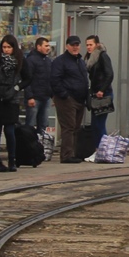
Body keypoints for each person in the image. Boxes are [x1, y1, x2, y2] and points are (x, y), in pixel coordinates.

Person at [0, 35, 29, 171]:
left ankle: (12, 159)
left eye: (9, 47)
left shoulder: (20, 60)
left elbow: (28, 78)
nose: (6, 50)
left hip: (11, 98)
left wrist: (17, 88)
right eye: (4, 47)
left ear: (14, 48)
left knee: (10, 130)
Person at [51, 35, 89, 163]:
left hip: (80, 99)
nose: (75, 47)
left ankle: (73, 153)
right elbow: (55, 80)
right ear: (67, 46)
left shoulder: (80, 61)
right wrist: (64, 95)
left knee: (76, 127)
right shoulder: (60, 61)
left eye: (77, 44)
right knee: (69, 127)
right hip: (67, 99)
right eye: (72, 45)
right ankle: (66, 155)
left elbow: (84, 79)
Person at [86, 34, 114, 140]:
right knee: (95, 124)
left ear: (97, 45)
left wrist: (102, 90)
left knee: (99, 124)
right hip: (95, 94)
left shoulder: (102, 56)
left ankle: (103, 149)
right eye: (87, 45)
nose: (88, 47)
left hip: (103, 94)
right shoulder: (91, 57)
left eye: (91, 44)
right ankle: (98, 149)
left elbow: (109, 74)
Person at [24, 37, 53, 138]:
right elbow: (26, 79)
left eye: (49, 46)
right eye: (46, 46)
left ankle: (41, 147)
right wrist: (30, 96)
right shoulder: (31, 60)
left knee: (43, 125)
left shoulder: (48, 61)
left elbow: (50, 79)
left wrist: (51, 95)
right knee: (30, 125)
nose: (48, 48)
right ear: (38, 46)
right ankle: (28, 146)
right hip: (34, 98)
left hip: (46, 97)